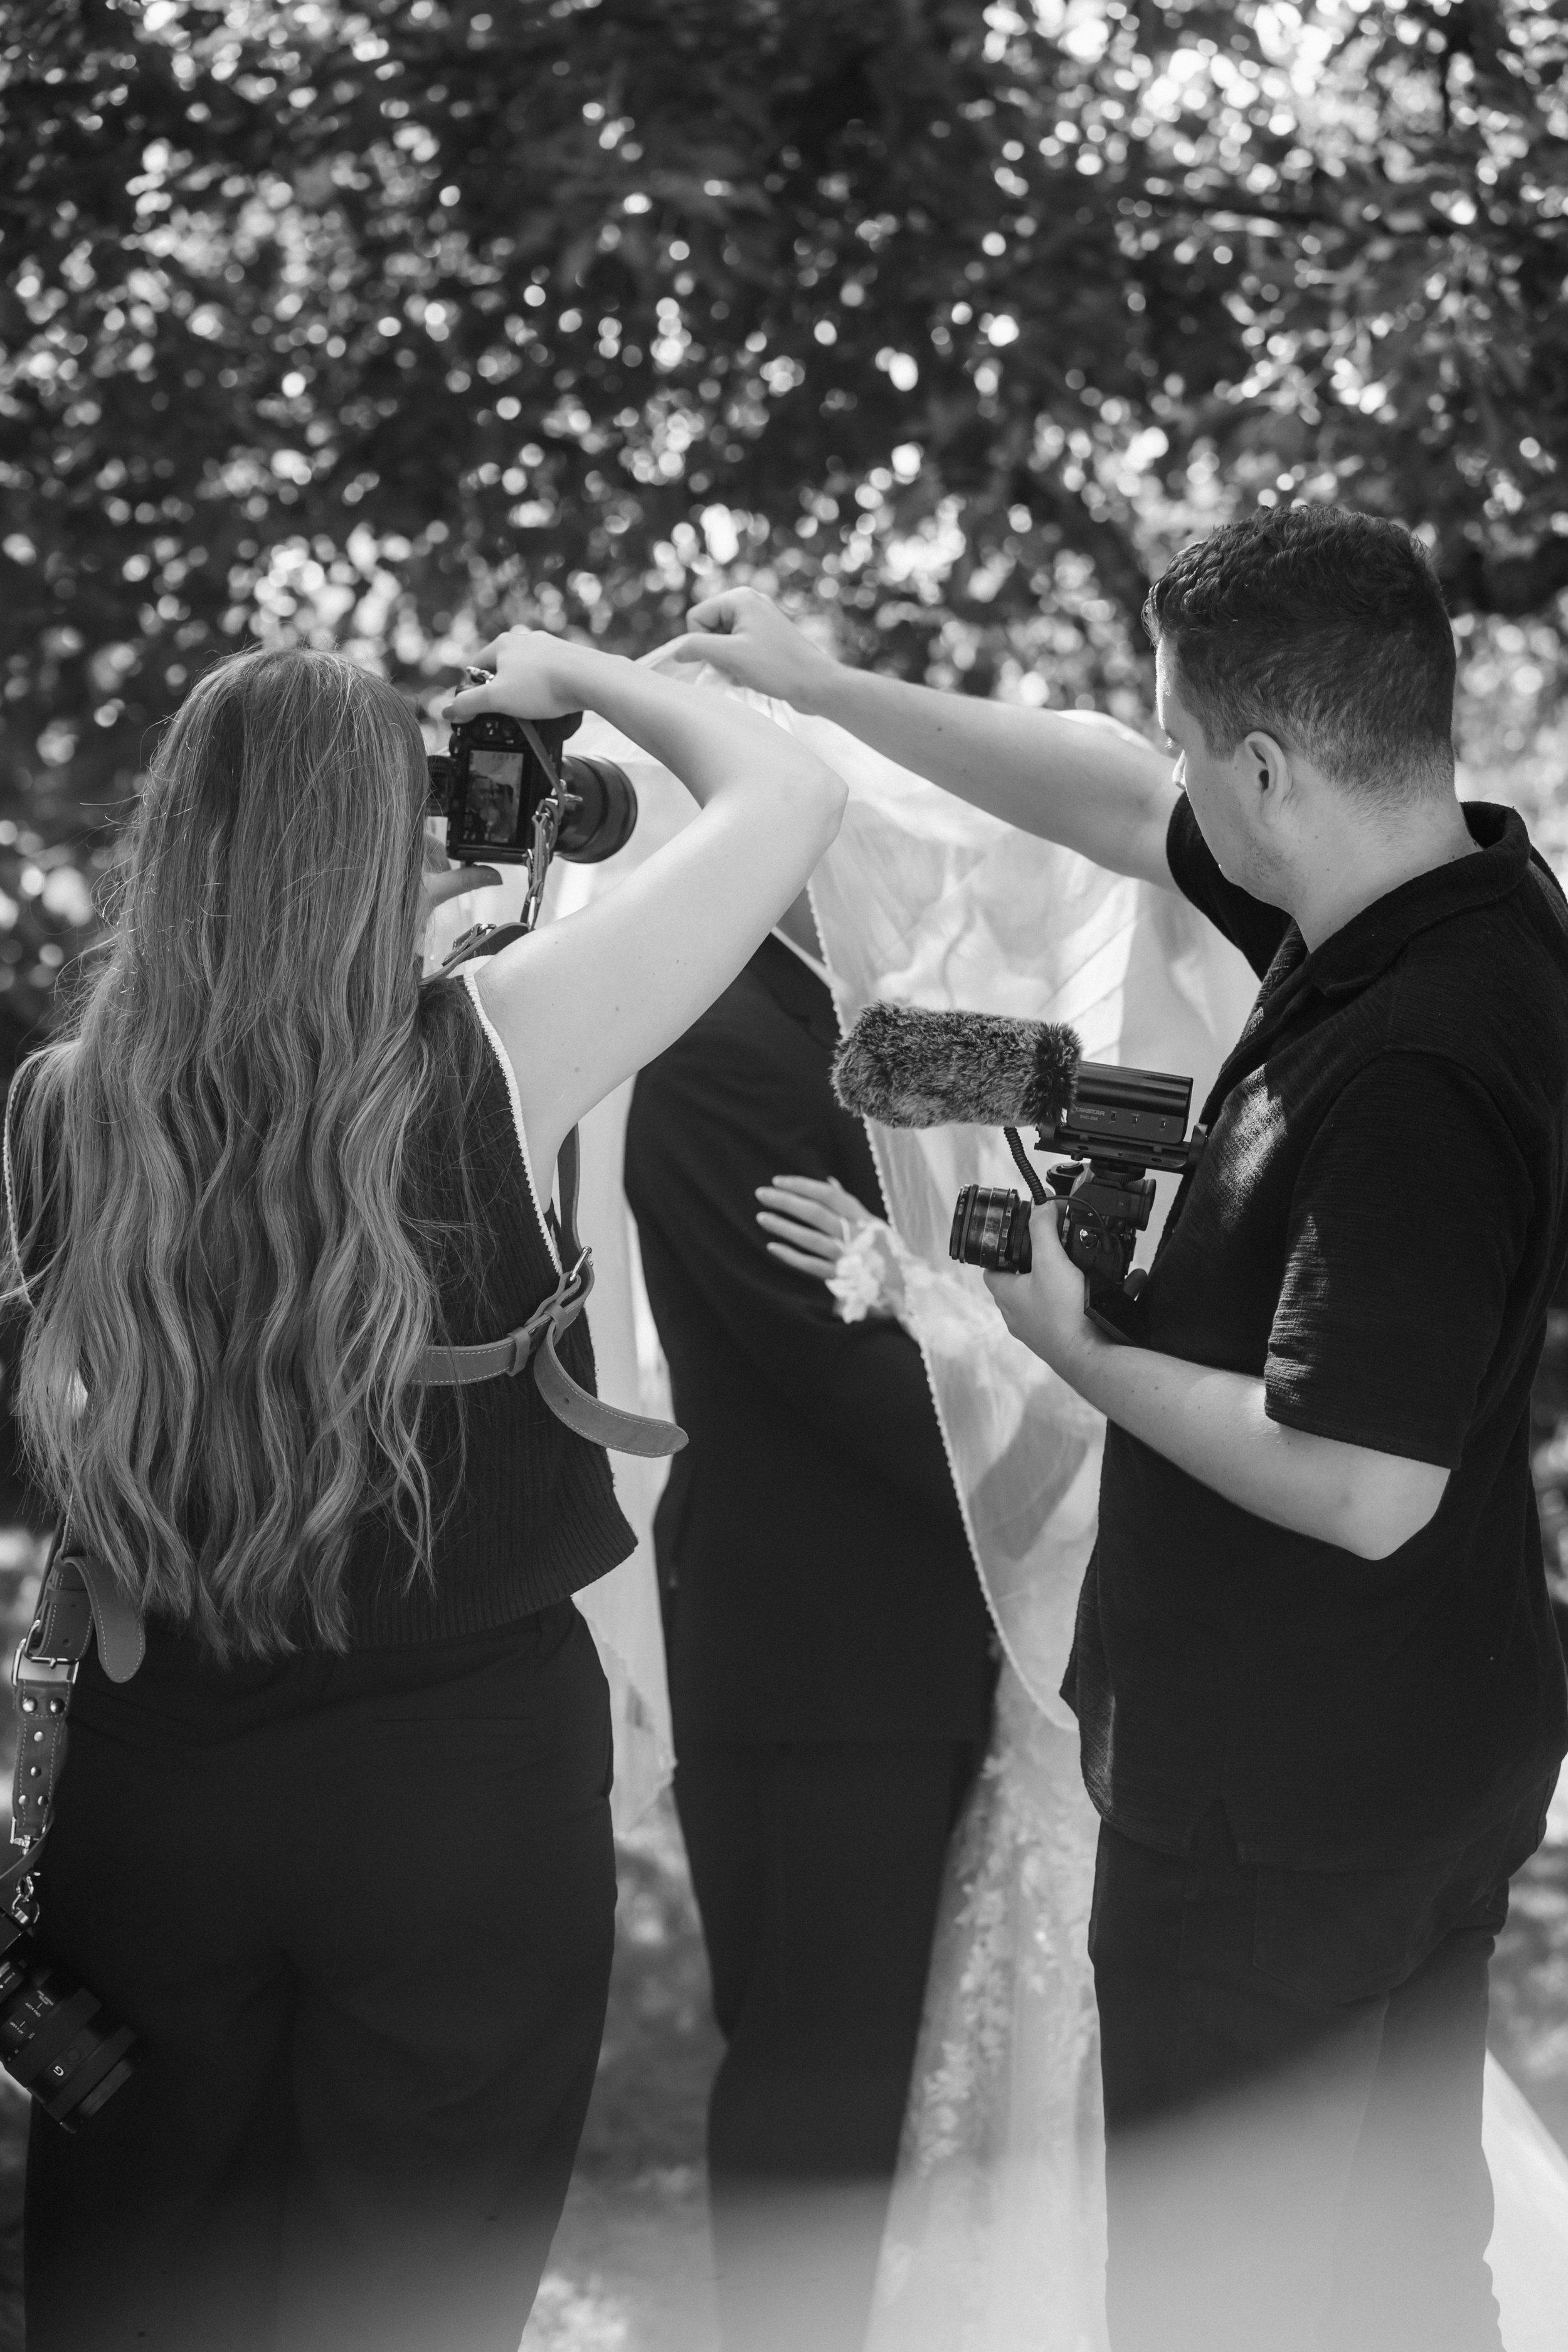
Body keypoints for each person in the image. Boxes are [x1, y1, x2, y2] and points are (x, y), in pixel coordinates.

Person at [658, 504, 1568, 2352]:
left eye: (1178, 737)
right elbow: (1088, 797)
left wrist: (1072, 1342)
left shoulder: (1402, 1054)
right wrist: (816, 686)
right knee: (1402, 2270)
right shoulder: (1446, 898)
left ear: (1263, 759)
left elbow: (1358, 1481)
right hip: (1418, 1744)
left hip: (1286, 1802)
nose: (1162, 779)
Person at [3, 633, 845, 2352]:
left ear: (175, 838)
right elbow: (793, 792)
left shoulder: (70, 1105)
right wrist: (574, 667)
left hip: (160, 1789)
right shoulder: (498, 1042)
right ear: (383, 842)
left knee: (139, 2281)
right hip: (457, 1795)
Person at [621, 880, 995, 2352]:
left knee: (917, 2083)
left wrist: (942, 1291)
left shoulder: (902, 1018)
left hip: (947, 1653)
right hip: (820, 1666)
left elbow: (1058, 1132)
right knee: (817, 2088)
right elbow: (850, 1392)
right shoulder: (712, 1040)